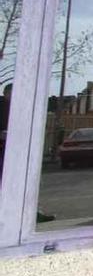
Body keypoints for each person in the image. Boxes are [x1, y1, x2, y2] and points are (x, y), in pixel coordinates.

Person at [0, 84, 55, 223]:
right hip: (4, 151)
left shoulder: (23, 108)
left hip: (21, 151)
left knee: (29, 181)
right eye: (12, 94)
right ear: (6, 94)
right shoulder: (2, 107)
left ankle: (33, 213)